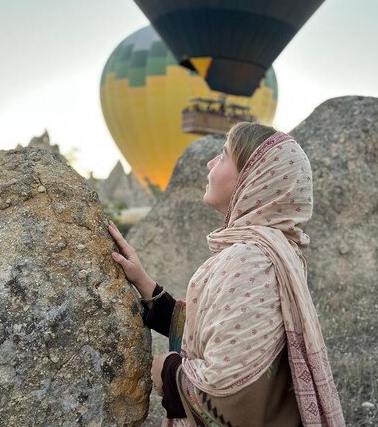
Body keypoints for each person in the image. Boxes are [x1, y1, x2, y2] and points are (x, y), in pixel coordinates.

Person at [109, 122, 345, 427]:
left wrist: (167, 370)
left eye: (222, 156)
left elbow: (227, 395)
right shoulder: (273, 252)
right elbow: (223, 336)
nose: (210, 163)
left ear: (253, 178)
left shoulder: (251, 260)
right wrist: (144, 283)